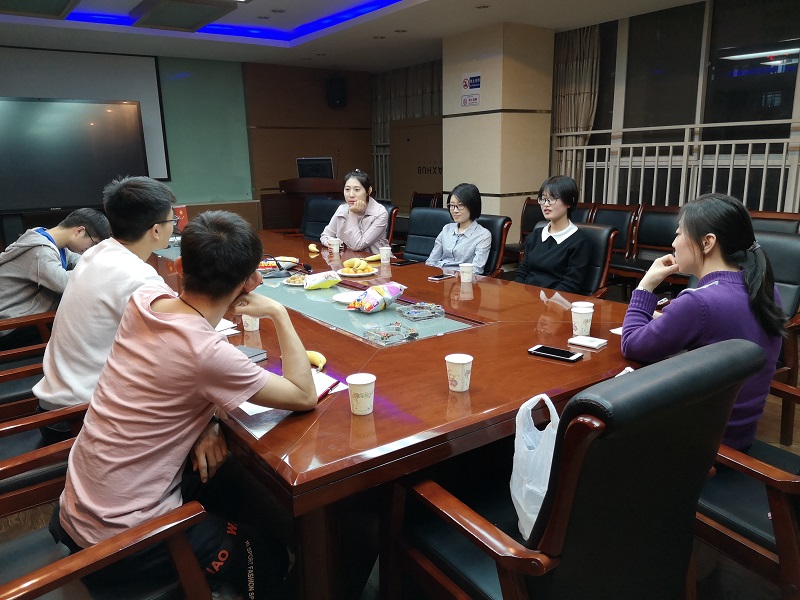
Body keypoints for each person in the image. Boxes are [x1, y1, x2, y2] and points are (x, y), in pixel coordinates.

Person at [50, 211, 317, 598]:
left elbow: (171, 380)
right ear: (252, 282)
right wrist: (279, 313)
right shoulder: (207, 353)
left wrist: (208, 421)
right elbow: (304, 395)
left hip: (75, 506)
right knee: (272, 556)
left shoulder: (144, 301)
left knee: (228, 481)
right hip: (122, 539)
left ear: (178, 267)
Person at [621, 193, 784, 450]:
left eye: (679, 234)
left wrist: (645, 285)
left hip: (698, 448)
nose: (673, 243)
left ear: (707, 242)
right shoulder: (764, 289)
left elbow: (631, 344)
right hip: (740, 436)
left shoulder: (699, 303)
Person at [33, 176, 176, 438]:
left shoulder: (96, 253)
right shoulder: (137, 276)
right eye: (172, 220)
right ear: (156, 230)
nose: (174, 225)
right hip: (82, 419)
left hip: (53, 405)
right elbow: (181, 342)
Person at [0, 208, 111, 350]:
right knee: (87, 328)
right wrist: (100, 270)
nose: (90, 250)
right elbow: (65, 283)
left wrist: (93, 266)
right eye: (93, 243)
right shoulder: (40, 251)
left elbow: (77, 259)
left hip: (24, 319)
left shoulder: (47, 237)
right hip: (11, 326)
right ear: (79, 231)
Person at [514, 175, 591, 293]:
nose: (546, 204)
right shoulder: (535, 235)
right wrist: (517, 293)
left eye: (552, 198)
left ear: (569, 202)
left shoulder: (579, 241)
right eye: (543, 199)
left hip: (557, 300)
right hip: (528, 297)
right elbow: (523, 271)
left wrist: (547, 302)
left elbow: (570, 284)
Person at [426, 183, 492, 275]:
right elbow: (431, 261)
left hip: (461, 279)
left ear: (472, 206)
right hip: (438, 276)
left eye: (460, 205)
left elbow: (476, 269)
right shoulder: (447, 229)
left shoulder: (483, 235)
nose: (455, 210)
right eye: (452, 205)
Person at [320, 169, 388, 253]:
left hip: (375, 259)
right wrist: (333, 244)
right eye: (347, 189)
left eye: (357, 190)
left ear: (368, 191)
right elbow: (325, 235)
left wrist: (352, 214)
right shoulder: (342, 209)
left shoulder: (380, 213)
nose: (351, 195)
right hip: (347, 258)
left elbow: (358, 246)